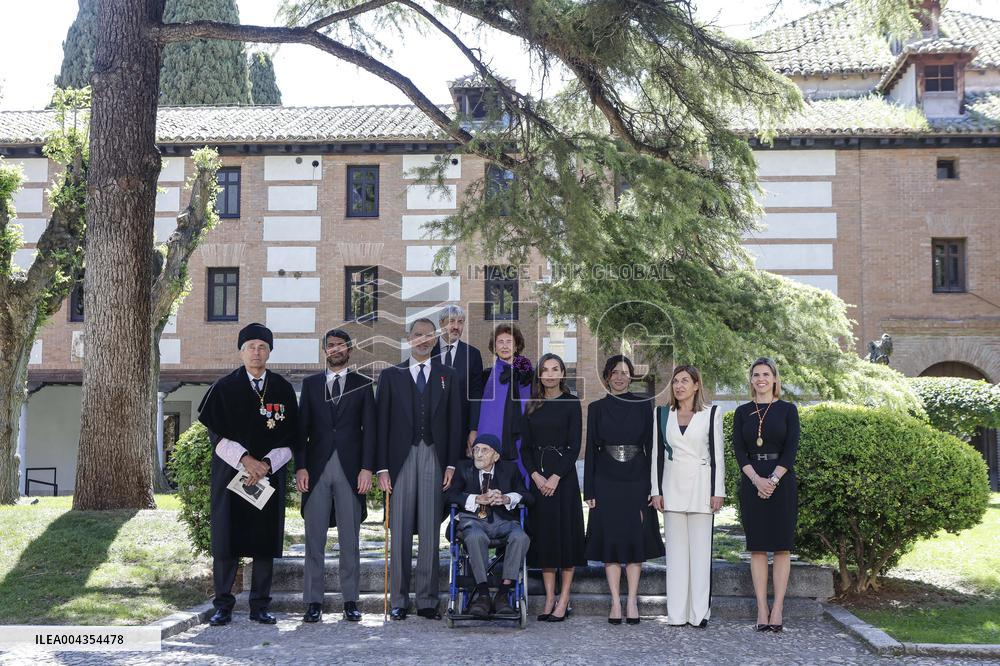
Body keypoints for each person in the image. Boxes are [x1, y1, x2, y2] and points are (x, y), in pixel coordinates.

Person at [198, 323, 299, 627]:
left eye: (262, 347)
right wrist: (246, 460)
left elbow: (292, 437)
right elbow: (216, 436)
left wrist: (265, 464)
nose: (256, 352)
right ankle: (223, 606)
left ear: (269, 351)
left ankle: (260, 606)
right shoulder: (223, 388)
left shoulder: (282, 389)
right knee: (227, 543)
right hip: (232, 476)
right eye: (251, 346)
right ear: (241, 351)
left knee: (263, 542)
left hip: (268, 477)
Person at [376, 318, 462, 620]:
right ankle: (398, 599)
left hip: (435, 458)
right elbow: (380, 425)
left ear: (436, 339)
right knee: (398, 529)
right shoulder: (390, 376)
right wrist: (382, 468)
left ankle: (426, 601)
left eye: (429, 336)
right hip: (400, 460)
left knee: (429, 530)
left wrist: (451, 462)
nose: (423, 340)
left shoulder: (447, 375)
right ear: (408, 339)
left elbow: (456, 423)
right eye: (417, 335)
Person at [295, 328, 376, 623]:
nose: (336, 349)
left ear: (350, 350)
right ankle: (313, 601)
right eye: (330, 346)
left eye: (341, 345)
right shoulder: (311, 384)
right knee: (314, 539)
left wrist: (367, 468)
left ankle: (350, 601)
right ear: (324, 350)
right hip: (316, 470)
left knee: (349, 540)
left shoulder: (363, 384)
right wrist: (300, 466)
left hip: (351, 471)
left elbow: (371, 432)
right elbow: (301, 431)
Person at [584, 355, 664, 626]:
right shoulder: (596, 408)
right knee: (611, 540)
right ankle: (616, 602)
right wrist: (589, 490)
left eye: (625, 372)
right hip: (605, 480)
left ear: (631, 376)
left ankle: (632, 601)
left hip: (636, 479)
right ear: (607, 377)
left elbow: (652, 449)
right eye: (614, 372)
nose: (619, 377)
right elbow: (591, 452)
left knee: (633, 539)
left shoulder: (644, 406)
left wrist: (654, 487)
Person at [650, 365, 725, 628]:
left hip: (702, 488)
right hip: (671, 488)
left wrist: (718, 492)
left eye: (685, 381)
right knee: (676, 556)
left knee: (700, 555)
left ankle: (699, 613)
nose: (679, 385)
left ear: (696, 385)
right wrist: (655, 491)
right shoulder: (661, 414)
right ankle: (677, 614)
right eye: (675, 381)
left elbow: (717, 456)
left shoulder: (711, 413)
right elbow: (657, 456)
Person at [731, 357, 799, 633]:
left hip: (781, 483)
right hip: (752, 482)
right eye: (756, 374)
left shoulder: (787, 410)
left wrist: (771, 479)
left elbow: (791, 449)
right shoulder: (742, 411)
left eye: (766, 374)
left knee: (782, 547)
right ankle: (761, 608)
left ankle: (778, 607)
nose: (760, 379)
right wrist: (757, 480)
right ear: (751, 380)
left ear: (774, 379)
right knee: (757, 547)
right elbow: (739, 450)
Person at [518, 353, 585, 622]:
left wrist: (556, 477)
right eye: (545, 369)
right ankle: (549, 599)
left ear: (562, 374)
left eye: (555, 369)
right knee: (546, 541)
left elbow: (574, 446)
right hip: (539, 480)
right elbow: (526, 447)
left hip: (564, 480)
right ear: (539, 375)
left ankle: (564, 599)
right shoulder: (532, 404)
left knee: (565, 540)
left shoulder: (571, 403)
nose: (549, 374)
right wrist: (535, 476)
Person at [447, 434, 531, 618]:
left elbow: (528, 496)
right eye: (476, 449)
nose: (478, 454)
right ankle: (483, 595)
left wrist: (507, 498)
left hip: (503, 522)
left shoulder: (510, 469)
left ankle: (502, 594)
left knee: (520, 537)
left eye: (484, 450)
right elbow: (450, 495)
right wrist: (477, 498)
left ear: (496, 456)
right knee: (475, 537)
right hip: (473, 522)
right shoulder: (463, 468)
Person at [468, 323, 532, 479]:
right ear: (494, 347)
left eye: (509, 341)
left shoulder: (529, 376)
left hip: (523, 440)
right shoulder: (485, 377)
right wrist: (473, 431)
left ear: (517, 345)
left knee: (521, 485)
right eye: (500, 342)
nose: (504, 346)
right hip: (491, 440)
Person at [432, 305, 485, 455]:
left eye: (460, 322)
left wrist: (473, 429)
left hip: (461, 429)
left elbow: (476, 394)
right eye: (451, 321)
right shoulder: (427, 350)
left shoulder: (473, 354)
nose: (456, 326)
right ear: (441, 323)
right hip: (429, 430)